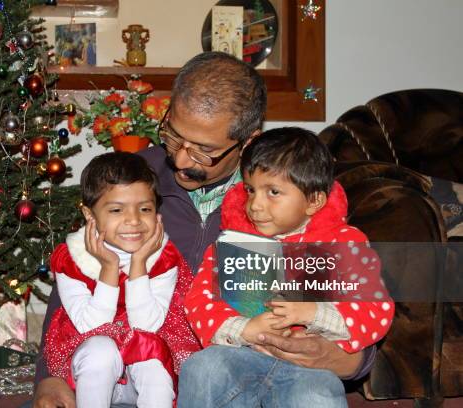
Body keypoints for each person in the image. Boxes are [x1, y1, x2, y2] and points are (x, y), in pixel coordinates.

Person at [32, 52, 374, 408]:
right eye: (174, 137)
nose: (180, 160)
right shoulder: (133, 180)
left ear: (249, 142)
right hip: (137, 375)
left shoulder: (286, 202)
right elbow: (78, 272)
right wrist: (49, 375)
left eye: (204, 152)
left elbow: (346, 289)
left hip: (249, 376)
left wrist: (350, 360)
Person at [179, 127, 395, 407]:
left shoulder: (344, 242)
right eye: (250, 190)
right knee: (202, 368)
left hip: (310, 367)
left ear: (314, 200)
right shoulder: (232, 243)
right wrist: (244, 329)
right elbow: (199, 301)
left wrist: (313, 313)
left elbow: (375, 309)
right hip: (240, 355)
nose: (255, 204)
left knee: (316, 396)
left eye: (273, 192)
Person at [42, 152, 200, 408]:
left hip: (144, 357)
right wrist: (109, 267)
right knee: (100, 350)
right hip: (89, 369)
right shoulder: (73, 257)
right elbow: (91, 326)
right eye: (116, 210)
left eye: (145, 209)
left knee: (153, 360)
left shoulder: (162, 257)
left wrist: (139, 263)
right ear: (89, 215)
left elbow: (147, 325)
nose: (134, 221)